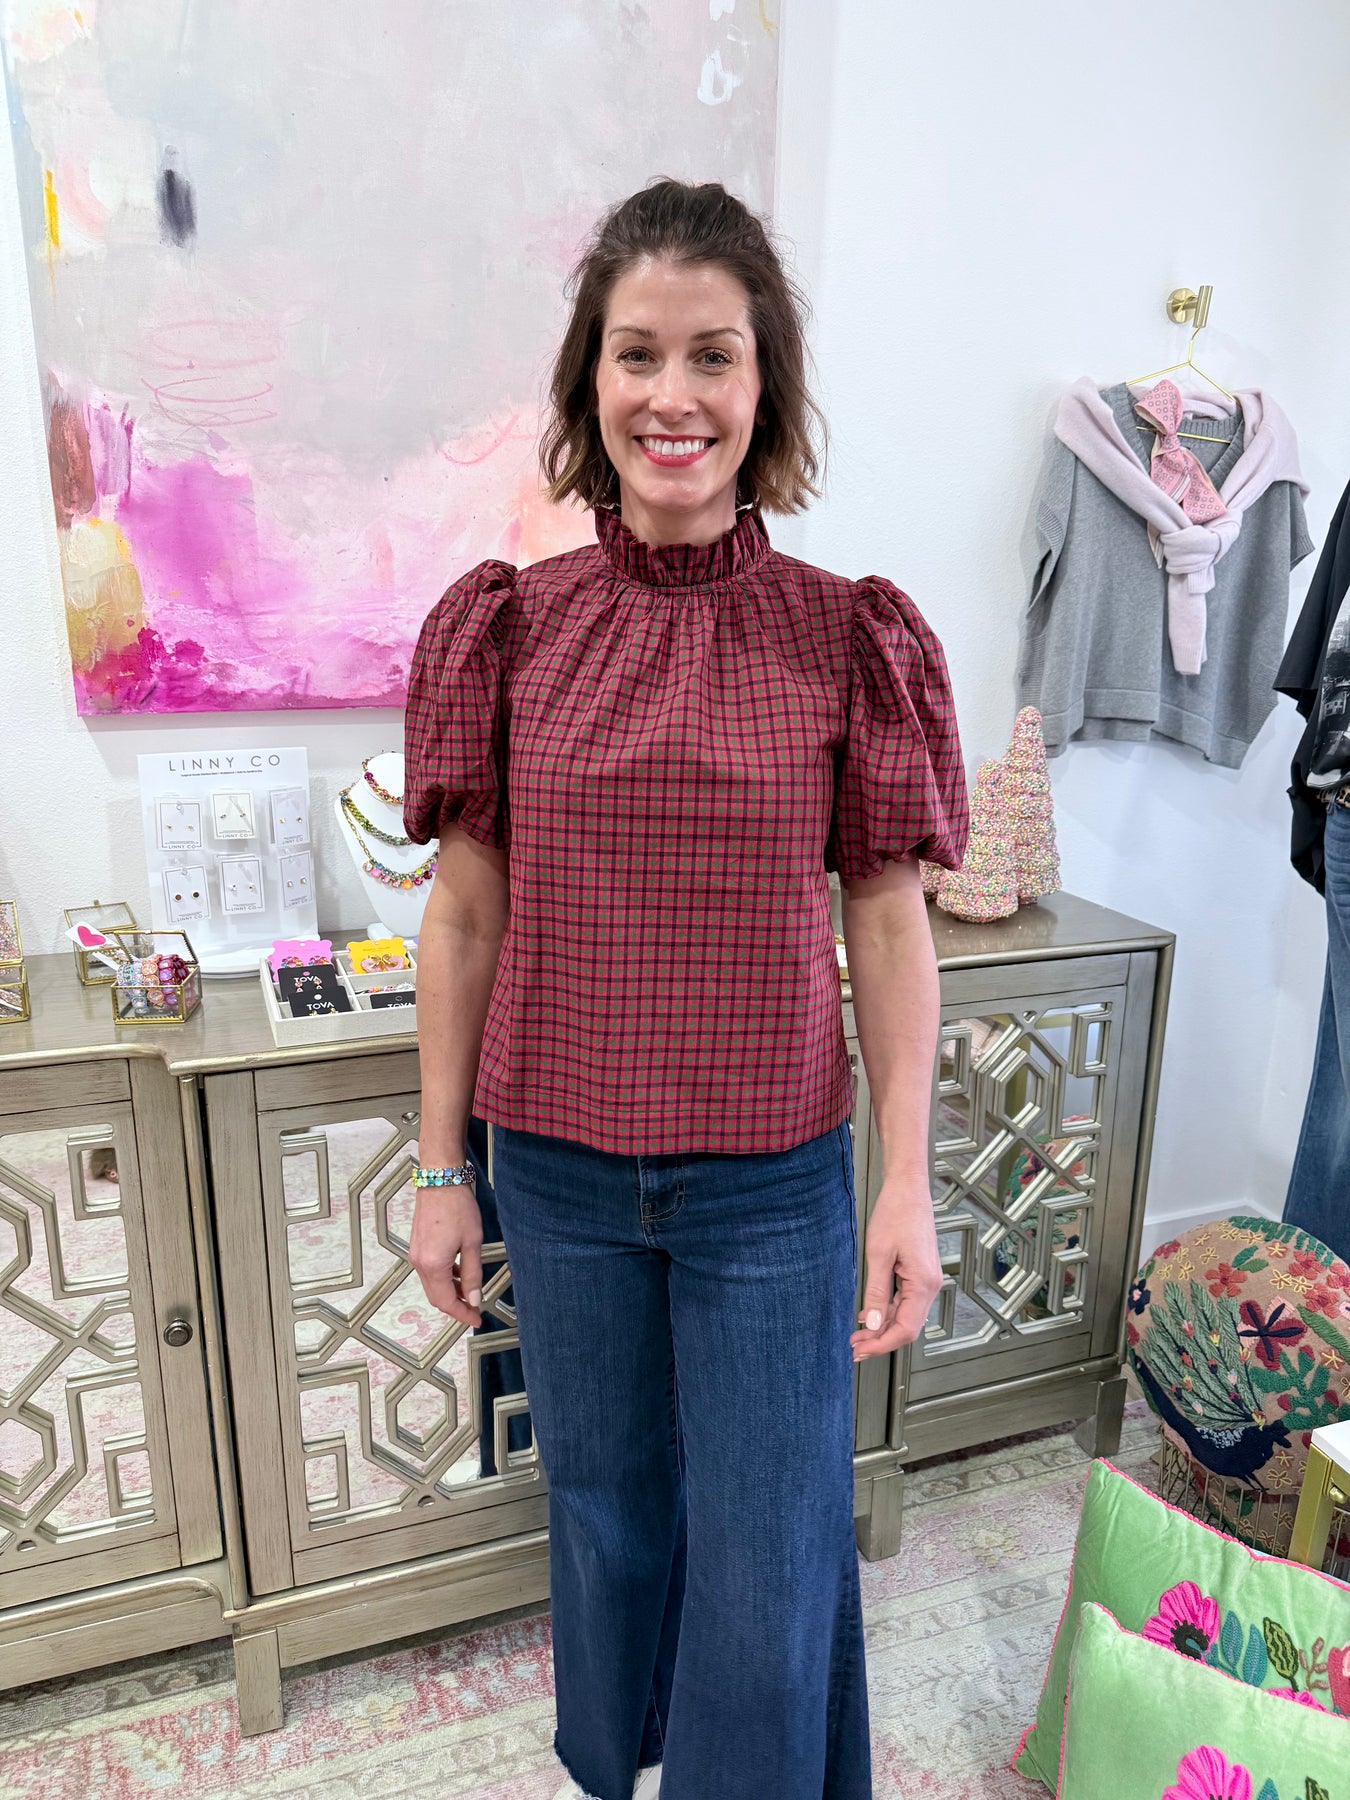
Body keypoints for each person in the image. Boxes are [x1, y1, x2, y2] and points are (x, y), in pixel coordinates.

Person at [402, 178, 969, 1800]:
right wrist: (442, 1171)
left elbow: (887, 923)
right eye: (636, 353)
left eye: (712, 355)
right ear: (589, 378)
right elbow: (464, 917)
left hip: (769, 1188)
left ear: (761, 382)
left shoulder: (842, 636)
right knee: (603, 1516)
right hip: (558, 1175)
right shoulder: (512, 629)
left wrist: (905, 1181)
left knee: (769, 1546)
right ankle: (621, 1769)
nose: (673, 395)